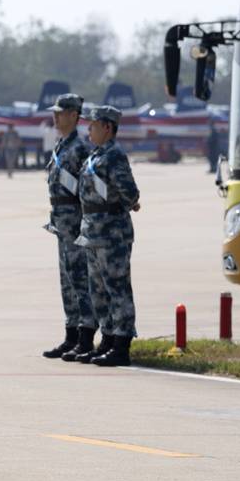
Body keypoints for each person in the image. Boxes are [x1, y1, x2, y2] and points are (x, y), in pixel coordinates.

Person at [75, 105, 140, 367]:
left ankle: (122, 344)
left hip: (112, 235)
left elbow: (131, 194)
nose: (88, 129)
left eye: (93, 125)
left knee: (117, 289)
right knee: (99, 292)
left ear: (107, 127)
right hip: (92, 233)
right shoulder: (96, 155)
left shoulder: (114, 156)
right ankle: (108, 339)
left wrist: (124, 204)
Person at [41, 94, 97, 361]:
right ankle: (71, 335)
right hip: (62, 225)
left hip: (76, 224)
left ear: (75, 115)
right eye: (55, 112)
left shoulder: (80, 148)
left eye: (61, 113)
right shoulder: (62, 145)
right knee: (67, 282)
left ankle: (86, 337)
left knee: (80, 280)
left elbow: (88, 190)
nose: (56, 117)